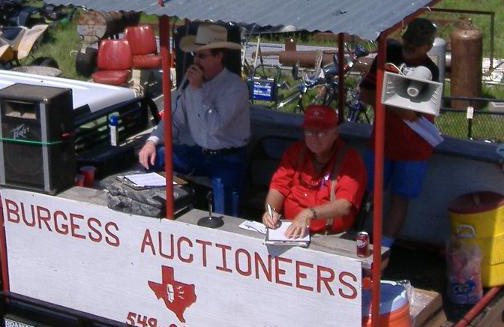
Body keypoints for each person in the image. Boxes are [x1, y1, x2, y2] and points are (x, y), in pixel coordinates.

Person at [137, 22, 250, 215]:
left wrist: (197, 90)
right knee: (156, 156)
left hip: (227, 158)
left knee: (224, 212)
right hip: (200, 153)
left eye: (202, 56)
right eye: (195, 55)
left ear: (219, 57)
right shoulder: (191, 86)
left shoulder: (235, 88)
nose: (196, 61)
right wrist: (151, 141)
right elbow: (173, 119)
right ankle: (152, 208)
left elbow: (214, 126)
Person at [359, 18, 441, 249]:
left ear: (428, 46)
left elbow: (409, 115)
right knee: (368, 192)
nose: (411, 47)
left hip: (413, 148)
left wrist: (383, 100)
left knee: (400, 198)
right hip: (381, 142)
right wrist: (393, 101)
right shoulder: (388, 53)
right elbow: (364, 95)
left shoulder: (430, 70)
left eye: (417, 44)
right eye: (408, 41)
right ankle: (361, 239)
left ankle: (384, 247)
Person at [262, 104, 366, 239]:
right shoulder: (295, 152)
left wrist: (309, 213)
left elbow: (345, 204)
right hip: (290, 231)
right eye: (309, 132)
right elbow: (278, 187)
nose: (314, 137)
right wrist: (271, 211)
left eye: (321, 132)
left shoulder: (349, 159)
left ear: (335, 133)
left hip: (330, 236)